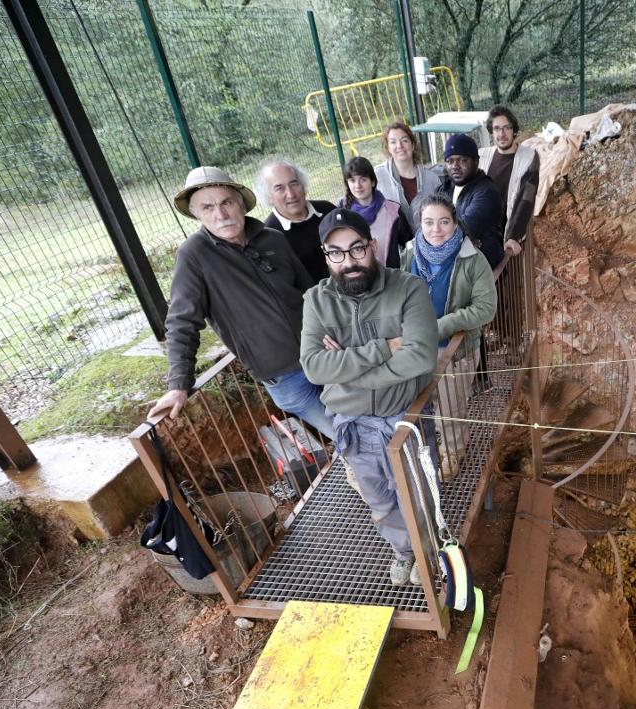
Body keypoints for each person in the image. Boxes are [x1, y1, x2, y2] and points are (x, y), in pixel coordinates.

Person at [300, 208, 439, 586]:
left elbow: (421, 356)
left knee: (416, 490)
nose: (349, 262)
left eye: (357, 249)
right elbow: (314, 367)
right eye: (337, 253)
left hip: (403, 417)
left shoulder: (409, 288)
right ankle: (403, 551)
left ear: (373, 246)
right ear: (326, 256)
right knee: (378, 497)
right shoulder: (316, 301)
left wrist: (345, 368)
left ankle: (428, 553)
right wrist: (385, 348)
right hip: (354, 424)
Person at [148, 167, 333, 439]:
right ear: (197, 214)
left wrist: (331, 332)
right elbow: (181, 322)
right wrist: (178, 384)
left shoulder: (273, 238)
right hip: (283, 375)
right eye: (207, 207)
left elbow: (310, 293)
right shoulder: (194, 255)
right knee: (346, 435)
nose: (220, 215)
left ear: (240, 203)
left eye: (226, 203)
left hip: (322, 355)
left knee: (358, 422)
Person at [401, 194, 497, 475]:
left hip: (455, 351)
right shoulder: (410, 254)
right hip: (416, 348)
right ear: (420, 224)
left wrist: (440, 326)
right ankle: (427, 452)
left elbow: (485, 308)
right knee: (422, 404)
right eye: (429, 222)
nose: (436, 229)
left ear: (455, 224)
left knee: (451, 408)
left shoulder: (472, 259)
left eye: (444, 222)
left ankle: (454, 452)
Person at [255, 158, 336, 282]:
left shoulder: (328, 211)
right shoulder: (268, 237)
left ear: (303, 187)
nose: (291, 194)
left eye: (294, 184)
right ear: (269, 197)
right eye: (279, 188)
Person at [479, 105, 540, 257]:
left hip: (511, 236)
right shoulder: (482, 157)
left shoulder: (529, 158)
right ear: (491, 132)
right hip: (484, 237)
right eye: (497, 128)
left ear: (514, 130)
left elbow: (526, 199)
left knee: (511, 278)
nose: (502, 133)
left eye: (507, 128)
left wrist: (514, 236)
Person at [437, 133, 505, 269]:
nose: (455, 166)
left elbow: (465, 228)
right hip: (456, 266)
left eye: (462, 160)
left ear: (476, 161)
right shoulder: (444, 188)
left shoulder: (487, 191)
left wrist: (432, 233)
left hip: (484, 270)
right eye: (450, 161)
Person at [339, 155, 410, 266]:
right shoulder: (340, 214)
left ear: (372, 182)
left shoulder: (393, 211)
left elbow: (409, 245)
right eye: (352, 180)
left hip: (389, 277)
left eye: (363, 179)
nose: (358, 185)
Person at [374, 121, 440, 232]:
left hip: (428, 244)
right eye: (393, 142)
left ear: (412, 145)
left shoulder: (432, 179)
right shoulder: (377, 176)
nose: (399, 146)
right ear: (388, 148)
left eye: (404, 140)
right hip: (394, 245)